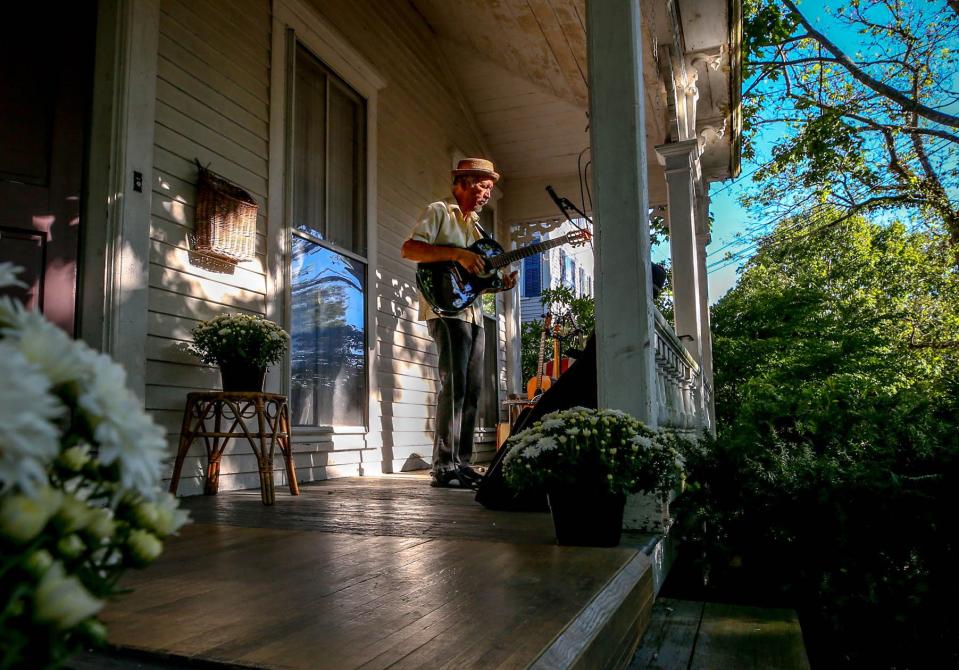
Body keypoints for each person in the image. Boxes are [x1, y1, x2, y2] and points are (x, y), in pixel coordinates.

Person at [401, 158, 518, 489]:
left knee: (472, 389)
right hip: (445, 311)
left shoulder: (478, 227)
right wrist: (458, 254)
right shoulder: (439, 211)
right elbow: (410, 249)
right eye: (483, 186)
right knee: (453, 385)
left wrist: (499, 283)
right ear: (463, 183)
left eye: (491, 190)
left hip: (473, 314)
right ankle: (443, 465)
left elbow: (474, 281)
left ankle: (461, 463)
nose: (487, 195)